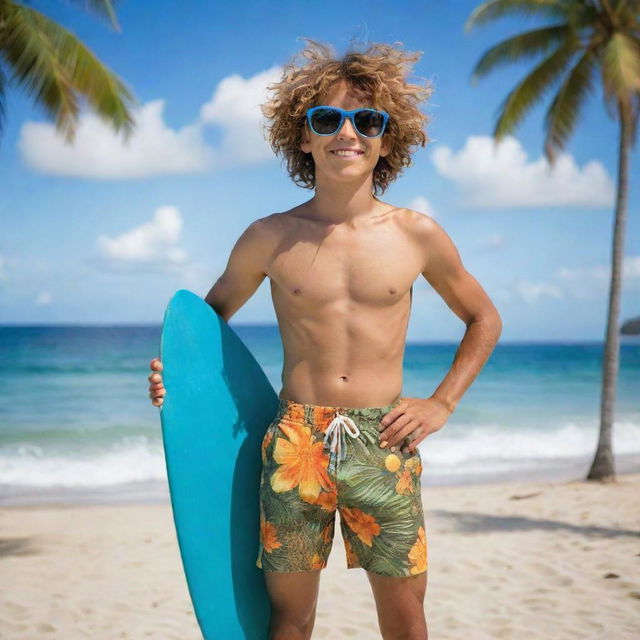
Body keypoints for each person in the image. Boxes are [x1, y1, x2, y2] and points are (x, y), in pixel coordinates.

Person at [148, 38, 501, 640]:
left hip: (382, 438)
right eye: (328, 118)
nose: (348, 132)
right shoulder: (268, 237)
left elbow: (484, 318)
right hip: (295, 439)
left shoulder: (417, 235)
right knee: (289, 616)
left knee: (406, 613)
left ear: (386, 139)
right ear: (304, 136)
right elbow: (204, 329)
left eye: (367, 120)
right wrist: (174, 378)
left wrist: (441, 403)